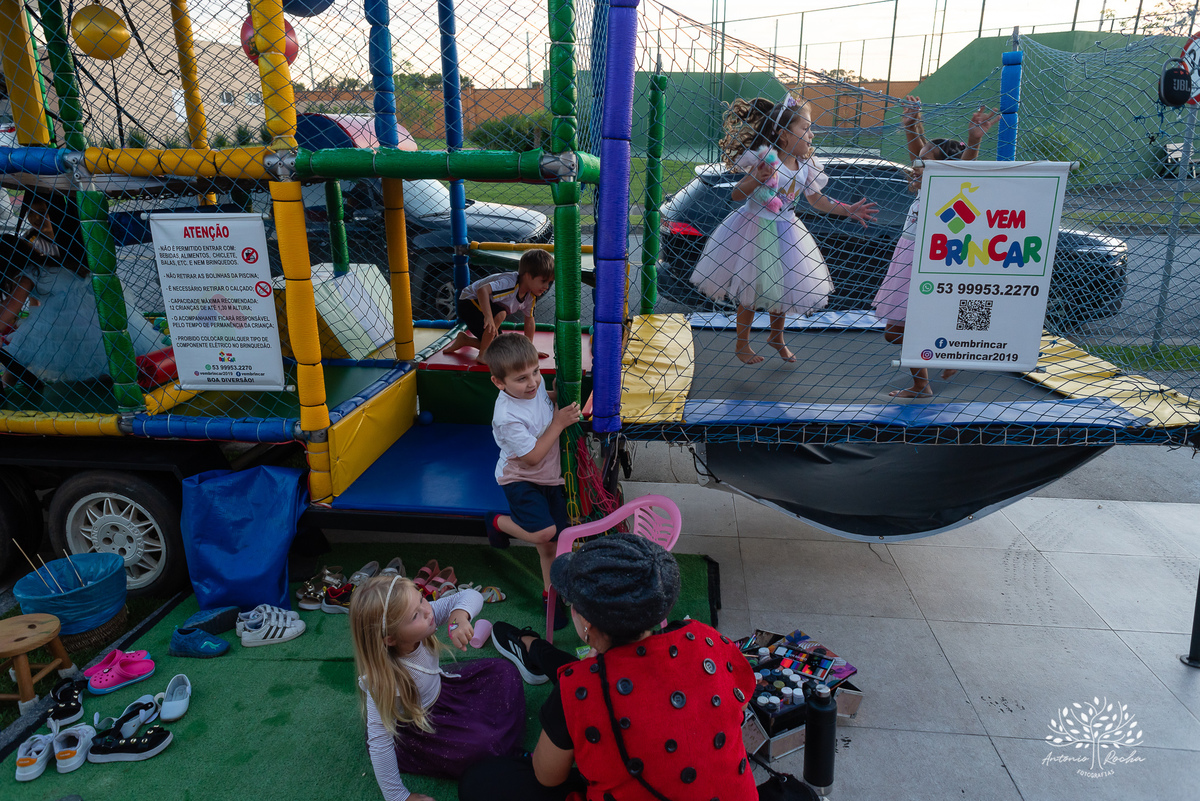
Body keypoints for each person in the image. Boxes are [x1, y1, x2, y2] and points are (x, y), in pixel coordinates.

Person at [459, 533, 759, 801]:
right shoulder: (707, 639)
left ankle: (531, 647)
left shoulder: (579, 686)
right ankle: (532, 647)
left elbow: (547, 776)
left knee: (480, 781)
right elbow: (742, 695)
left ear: (585, 621)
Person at [690, 94, 878, 365]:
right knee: (750, 289)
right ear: (783, 134)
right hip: (755, 228)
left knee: (784, 286)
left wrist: (848, 209)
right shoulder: (766, 160)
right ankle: (742, 344)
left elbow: (818, 200)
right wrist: (756, 179)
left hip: (788, 229)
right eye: (805, 128)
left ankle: (776, 337)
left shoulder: (806, 166)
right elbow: (736, 194)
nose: (812, 134)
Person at [350, 575, 525, 801]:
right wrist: (398, 796)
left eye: (422, 599)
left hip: (448, 690)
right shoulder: (384, 682)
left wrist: (459, 617)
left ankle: (499, 742)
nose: (427, 611)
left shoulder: (423, 614)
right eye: (415, 615)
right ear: (390, 639)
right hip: (422, 727)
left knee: (504, 671)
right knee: (484, 746)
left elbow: (470, 595)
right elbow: (379, 742)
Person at [873, 96, 1000, 398]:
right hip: (908, 257)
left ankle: (925, 381)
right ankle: (946, 355)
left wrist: (973, 141)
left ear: (943, 167)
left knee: (904, 328)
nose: (916, 161)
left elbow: (965, 163)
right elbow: (918, 148)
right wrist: (912, 124)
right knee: (895, 331)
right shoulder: (927, 182)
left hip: (931, 259)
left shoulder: (949, 187)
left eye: (925, 159)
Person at [0, 190, 158, 387]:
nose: (36, 218)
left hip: (91, 309)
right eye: (31, 213)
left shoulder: (70, 239)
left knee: (22, 347)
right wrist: (35, 319)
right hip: (83, 309)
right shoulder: (33, 247)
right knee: (102, 355)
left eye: (42, 212)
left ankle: (7, 385)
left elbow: (10, 308)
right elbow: (34, 301)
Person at [483, 332, 581, 629]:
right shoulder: (506, 416)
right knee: (544, 533)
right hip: (520, 477)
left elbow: (541, 401)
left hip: (548, 477)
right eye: (522, 378)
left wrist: (555, 395)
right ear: (499, 383)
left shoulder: (532, 389)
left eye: (536, 372)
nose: (532, 383)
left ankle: (549, 595)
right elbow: (533, 457)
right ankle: (497, 521)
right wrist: (559, 422)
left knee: (552, 545)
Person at [444, 249, 555, 364]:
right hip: (468, 302)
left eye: (550, 282)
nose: (547, 286)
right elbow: (482, 290)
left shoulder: (530, 296)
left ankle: (465, 340)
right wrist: (488, 317)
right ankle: (483, 355)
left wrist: (529, 350)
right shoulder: (509, 283)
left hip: (485, 307)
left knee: (502, 348)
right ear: (527, 276)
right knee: (501, 313)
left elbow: (530, 321)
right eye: (543, 281)